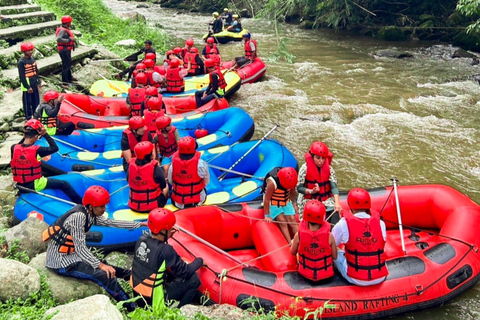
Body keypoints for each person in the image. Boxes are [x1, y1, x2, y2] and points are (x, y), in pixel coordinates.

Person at [43, 185, 148, 312]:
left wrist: (138, 224)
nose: (104, 209)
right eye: (101, 206)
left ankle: (129, 275)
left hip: (73, 255)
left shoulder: (89, 213)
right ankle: (132, 308)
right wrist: (100, 266)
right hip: (62, 262)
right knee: (105, 275)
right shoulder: (79, 217)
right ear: (91, 206)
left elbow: (111, 222)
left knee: (105, 264)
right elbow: (81, 249)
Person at [131, 208, 208, 310]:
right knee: (194, 279)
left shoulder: (141, 240)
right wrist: (200, 261)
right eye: (170, 227)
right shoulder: (166, 250)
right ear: (163, 230)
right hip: (154, 300)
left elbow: (156, 251)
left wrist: (167, 233)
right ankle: (180, 311)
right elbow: (186, 272)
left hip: (138, 297)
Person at [11, 119, 82, 204]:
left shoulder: (13, 148)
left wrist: (26, 136)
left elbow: (21, 144)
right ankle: (81, 205)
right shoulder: (37, 150)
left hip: (20, 185)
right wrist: (45, 134)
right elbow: (55, 148)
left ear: (24, 135)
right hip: (35, 185)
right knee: (64, 184)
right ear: (36, 136)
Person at [332, 188, 388, 286]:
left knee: (334, 248)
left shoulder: (343, 224)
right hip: (380, 276)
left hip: (355, 278)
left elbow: (330, 244)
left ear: (350, 206)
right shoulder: (381, 223)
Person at [290, 200, 337, 282]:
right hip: (326, 277)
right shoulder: (329, 236)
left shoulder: (299, 235)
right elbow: (334, 256)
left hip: (305, 275)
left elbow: (292, 252)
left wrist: (293, 243)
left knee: (294, 244)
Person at [296, 141, 342, 223]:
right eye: (318, 158)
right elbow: (299, 188)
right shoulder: (304, 169)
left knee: (335, 215)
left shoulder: (329, 169)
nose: (321, 161)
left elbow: (334, 187)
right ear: (312, 157)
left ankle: (332, 232)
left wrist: (337, 203)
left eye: (323, 158)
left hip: (325, 199)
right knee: (308, 220)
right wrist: (311, 191)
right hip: (308, 198)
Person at [168, 136, 209, 209]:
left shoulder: (173, 164)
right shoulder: (201, 164)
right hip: (198, 201)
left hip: (178, 203)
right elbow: (206, 181)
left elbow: (170, 181)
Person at [128, 142, 168, 212]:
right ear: (150, 155)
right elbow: (163, 185)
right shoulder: (155, 168)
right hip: (153, 206)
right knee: (167, 187)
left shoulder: (130, 167)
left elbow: (128, 180)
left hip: (134, 206)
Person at [262, 167, 299, 243]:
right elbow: (266, 199)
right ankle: (289, 243)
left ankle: (300, 241)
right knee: (282, 220)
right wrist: (267, 215)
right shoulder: (272, 183)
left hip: (285, 199)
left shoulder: (292, 180)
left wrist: (294, 204)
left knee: (292, 219)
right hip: (273, 201)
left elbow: (292, 193)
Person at [17, 42, 40, 119]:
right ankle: (28, 116)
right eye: (28, 51)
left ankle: (36, 114)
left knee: (36, 100)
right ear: (24, 52)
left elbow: (36, 71)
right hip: (27, 83)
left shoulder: (32, 59)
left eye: (31, 50)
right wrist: (27, 87)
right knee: (28, 101)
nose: (30, 52)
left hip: (34, 82)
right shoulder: (21, 62)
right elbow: (22, 76)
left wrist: (38, 82)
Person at [56, 15, 75, 86]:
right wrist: (69, 40)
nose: (70, 24)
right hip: (64, 50)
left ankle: (69, 77)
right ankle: (65, 81)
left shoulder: (64, 29)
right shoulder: (63, 30)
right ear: (67, 23)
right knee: (66, 65)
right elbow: (58, 39)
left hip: (66, 49)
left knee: (68, 64)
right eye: (70, 22)